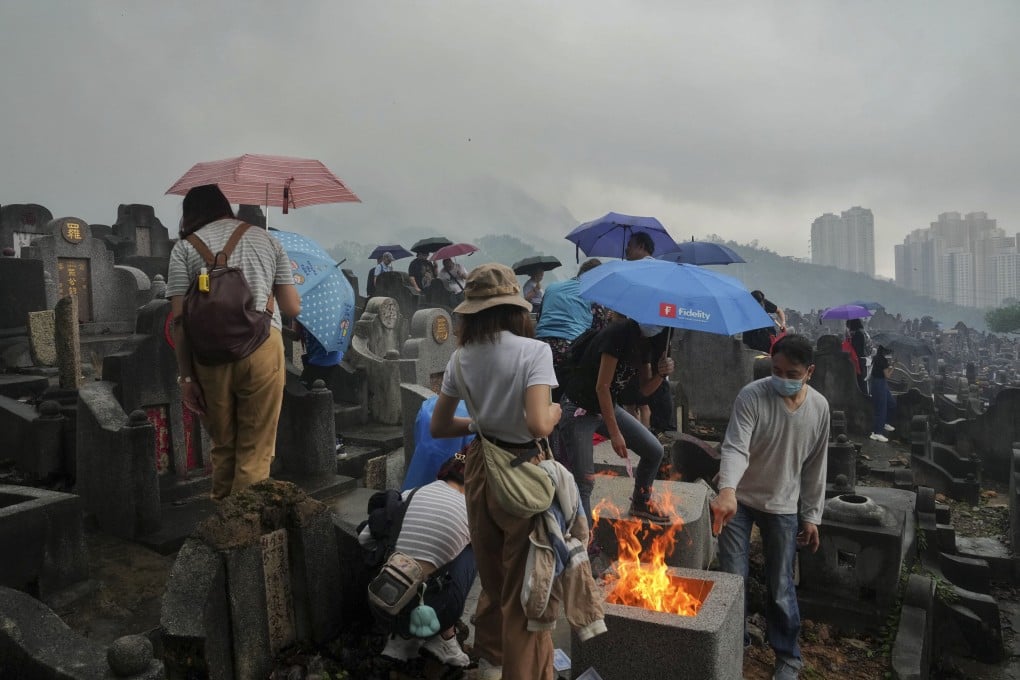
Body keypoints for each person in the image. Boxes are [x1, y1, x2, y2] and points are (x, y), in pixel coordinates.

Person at [430, 263, 561, 680]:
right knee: (527, 589)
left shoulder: (461, 358)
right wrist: (557, 411)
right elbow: (539, 424)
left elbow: (439, 426)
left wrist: (480, 423)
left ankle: (490, 661)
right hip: (523, 471)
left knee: (492, 575)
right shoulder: (534, 352)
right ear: (515, 309)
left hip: (482, 469)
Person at [166, 184, 301, 500]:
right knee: (255, 449)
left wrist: (186, 377)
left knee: (223, 446)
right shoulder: (267, 239)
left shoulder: (184, 248)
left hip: (208, 355)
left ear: (190, 213)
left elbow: (179, 322)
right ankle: (246, 536)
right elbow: (292, 307)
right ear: (225, 205)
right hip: (263, 346)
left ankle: (224, 530)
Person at [710, 334, 829, 680]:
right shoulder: (752, 396)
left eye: (792, 373)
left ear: (809, 372)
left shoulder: (819, 408)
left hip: (783, 504)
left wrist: (811, 516)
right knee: (733, 578)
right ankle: (736, 642)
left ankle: (788, 657)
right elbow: (735, 446)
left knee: (780, 584)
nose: (783, 378)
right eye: (776, 370)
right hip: (740, 500)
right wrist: (728, 490)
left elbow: (815, 465)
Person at [560, 312, 675, 527]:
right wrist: (615, 434)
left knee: (654, 450)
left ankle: (641, 503)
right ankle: (584, 541)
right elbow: (602, 386)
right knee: (584, 482)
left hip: (607, 407)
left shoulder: (649, 343)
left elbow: (643, 391)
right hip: (579, 409)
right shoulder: (618, 334)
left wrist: (660, 374)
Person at [376, 455, 475, 669]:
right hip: (434, 612)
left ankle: (399, 639)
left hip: (383, 603)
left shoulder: (410, 494)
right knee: (474, 552)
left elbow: (366, 538)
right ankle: (445, 638)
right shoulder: (472, 510)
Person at [535, 258, 604, 401]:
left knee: (545, 397)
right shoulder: (592, 295)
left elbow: (539, 316)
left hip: (541, 347)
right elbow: (599, 330)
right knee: (566, 398)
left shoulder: (552, 287)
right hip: (570, 350)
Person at [869, 345, 896, 442]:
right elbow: (888, 375)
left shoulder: (877, 358)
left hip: (880, 383)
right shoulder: (882, 360)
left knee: (891, 403)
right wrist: (894, 366)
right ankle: (877, 433)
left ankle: (884, 422)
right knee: (881, 408)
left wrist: (890, 364)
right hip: (879, 383)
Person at [846, 319, 870, 393]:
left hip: (859, 361)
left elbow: (855, 348)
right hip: (865, 360)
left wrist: (850, 339)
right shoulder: (864, 333)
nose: (849, 328)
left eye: (849, 326)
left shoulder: (858, 334)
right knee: (864, 382)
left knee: (860, 383)